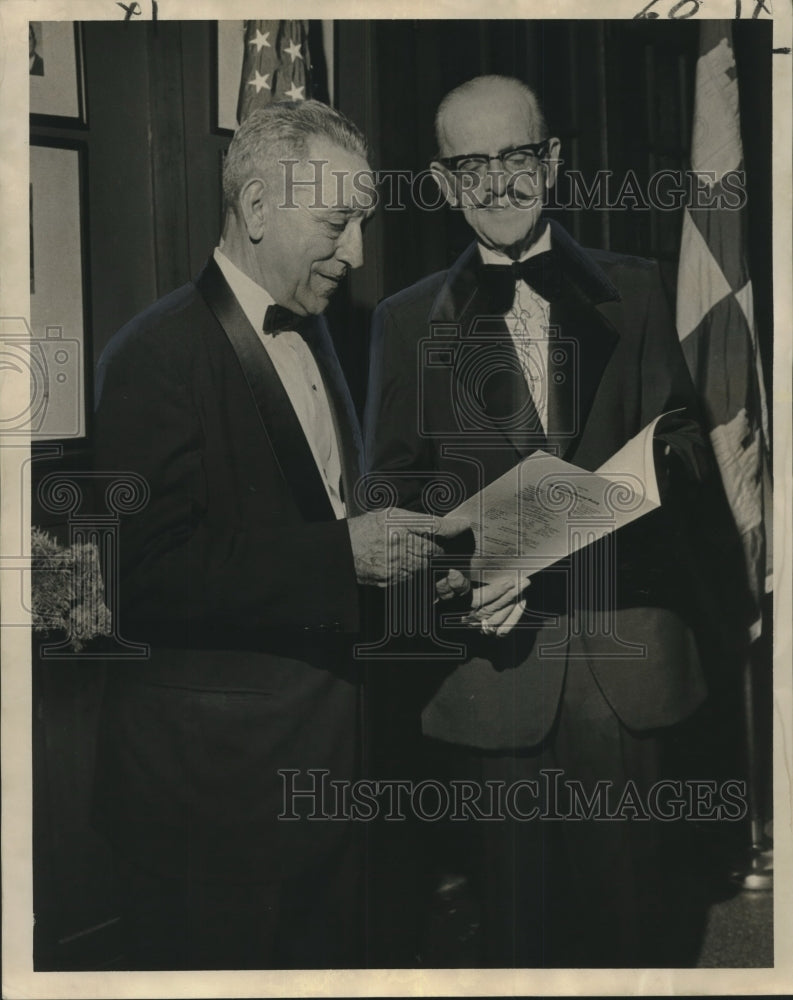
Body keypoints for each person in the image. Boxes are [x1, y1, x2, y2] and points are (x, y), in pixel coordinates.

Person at [365, 75, 749, 967]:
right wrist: (453, 585)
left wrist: (644, 472)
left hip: (632, 669)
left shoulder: (642, 289)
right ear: (443, 179)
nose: (497, 183)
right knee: (516, 943)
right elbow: (393, 499)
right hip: (494, 681)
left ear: (553, 160)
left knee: (639, 939)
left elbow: (692, 454)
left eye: (516, 156)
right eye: (473, 163)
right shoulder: (405, 319)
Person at [92, 100, 464, 970]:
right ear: (257, 210)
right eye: (337, 222)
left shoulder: (323, 329)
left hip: (330, 780)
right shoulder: (152, 355)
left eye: (363, 222)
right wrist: (347, 555)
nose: (359, 252)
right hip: (215, 808)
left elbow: (317, 523)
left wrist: (412, 571)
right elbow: (135, 576)